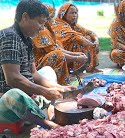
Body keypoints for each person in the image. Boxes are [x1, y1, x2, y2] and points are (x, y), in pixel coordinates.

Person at [0, 0, 75, 130]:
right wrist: (44, 91)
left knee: (47, 70)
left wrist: (59, 87)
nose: (42, 27)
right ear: (25, 17)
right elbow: (13, 79)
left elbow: (34, 73)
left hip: (27, 94)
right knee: (14, 94)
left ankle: (46, 108)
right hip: (7, 100)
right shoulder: (9, 37)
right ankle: (46, 123)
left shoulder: (27, 40)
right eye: (40, 22)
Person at [32, 4, 87, 85]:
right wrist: (77, 58)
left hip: (46, 58)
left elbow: (56, 47)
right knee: (58, 55)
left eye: (75, 13)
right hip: (35, 67)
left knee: (59, 45)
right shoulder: (42, 30)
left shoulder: (47, 28)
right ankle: (62, 85)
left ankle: (65, 79)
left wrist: (76, 54)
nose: (53, 19)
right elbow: (56, 52)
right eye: (51, 16)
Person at [52, 3, 99, 72]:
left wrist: (96, 40)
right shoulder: (59, 24)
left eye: (75, 13)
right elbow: (76, 37)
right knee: (78, 42)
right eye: (71, 13)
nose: (74, 15)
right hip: (61, 53)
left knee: (89, 38)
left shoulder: (73, 25)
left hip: (67, 52)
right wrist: (93, 45)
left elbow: (89, 32)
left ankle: (89, 67)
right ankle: (77, 69)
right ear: (64, 14)